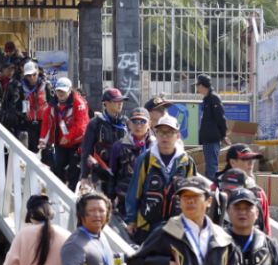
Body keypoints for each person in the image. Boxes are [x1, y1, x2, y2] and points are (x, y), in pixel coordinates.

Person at [125, 114, 197, 243]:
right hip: (147, 224)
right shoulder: (145, 159)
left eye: (170, 133)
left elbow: (193, 195)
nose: (165, 137)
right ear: (155, 134)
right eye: (161, 132)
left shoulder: (187, 162)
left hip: (177, 225)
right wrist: (131, 220)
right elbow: (135, 190)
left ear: (178, 136)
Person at [80, 88, 128, 191]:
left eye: (121, 101)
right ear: (106, 103)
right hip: (100, 173)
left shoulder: (125, 123)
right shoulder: (95, 123)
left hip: (120, 173)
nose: (120, 104)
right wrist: (84, 176)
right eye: (116, 101)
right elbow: (86, 151)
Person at [2, 60, 52, 155]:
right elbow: (13, 106)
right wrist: (22, 115)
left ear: (38, 73)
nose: (32, 77)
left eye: (34, 74)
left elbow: (53, 104)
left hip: (44, 123)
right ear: (24, 75)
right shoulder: (19, 87)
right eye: (29, 75)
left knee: (46, 153)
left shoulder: (46, 86)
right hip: (27, 124)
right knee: (30, 152)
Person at [107, 107, 152, 215]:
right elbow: (112, 173)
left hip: (149, 199)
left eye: (143, 121)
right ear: (129, 124)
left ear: (149, 124)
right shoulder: (119, 146)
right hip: (125, 199)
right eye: (135, 121)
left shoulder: (156, 146)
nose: (139, 125)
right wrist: (110, 197)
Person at [216, 144, 270, 233]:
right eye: (245, 159)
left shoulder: (259, 193)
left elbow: (266, 228)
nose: (251, 163)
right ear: (232, 162)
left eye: (252, 159)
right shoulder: (215, 190)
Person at [51, 77, 89, 189]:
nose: (60, 93)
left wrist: (68, 136)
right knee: (57, 167)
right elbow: (47, 122)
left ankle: (71, 195)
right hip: (61, 142)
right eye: (58, 90)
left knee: (74, 170)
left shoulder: (79, 102)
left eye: (63, 90)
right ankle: (59, 192)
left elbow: (81, 125)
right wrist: (44, 138)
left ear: (69, 90)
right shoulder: (53, 102)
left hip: (77, 142)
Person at [197, 74, 229, 180]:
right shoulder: (207, 99)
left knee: (211, 168)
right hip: (208, 139)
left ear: (202, 86)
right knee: (210, 167)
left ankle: (213, 192)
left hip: (212, 139)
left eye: (197, 85)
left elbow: (221, 118)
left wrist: (224, 135)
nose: (197, 88)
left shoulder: (213, 98)